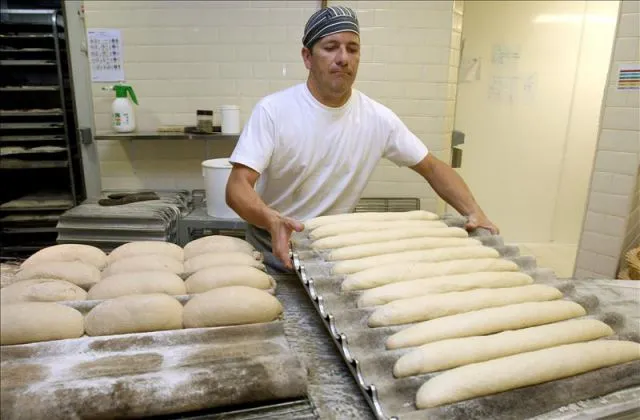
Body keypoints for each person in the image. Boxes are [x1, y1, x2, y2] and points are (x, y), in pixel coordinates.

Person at [226, 5, 498, 274]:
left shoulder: (378, 118)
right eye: (331, 47)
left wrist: (474, 211)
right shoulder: (274, 111)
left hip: (333, 250)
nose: (343, 58)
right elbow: (237, 188)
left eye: (352, 49)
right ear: (307, 57)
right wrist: (271, 220)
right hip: (272, 246)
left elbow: (432, 167)